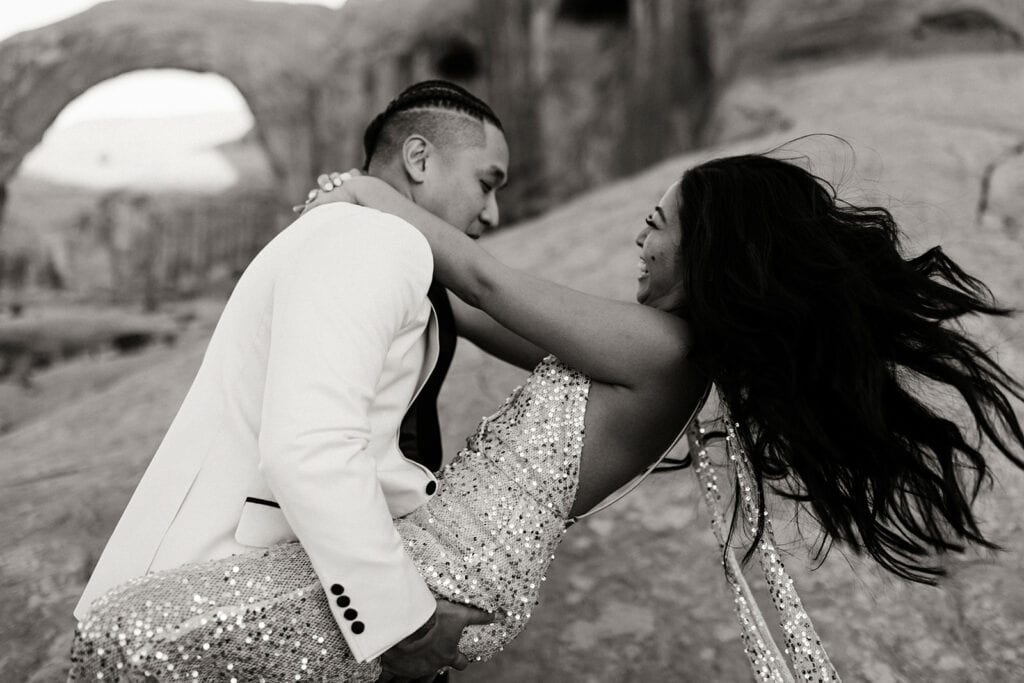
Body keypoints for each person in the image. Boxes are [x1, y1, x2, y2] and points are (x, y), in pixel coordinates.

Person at [70, 151, 1024, 682]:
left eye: (661, 221)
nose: (638, 234)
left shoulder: (666, 351)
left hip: (445, 583)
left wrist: (370, 198)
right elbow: (482, 315)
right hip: (442, 569)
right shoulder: (652, 354)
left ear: (714, 247)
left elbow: (482, 271)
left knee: (129, 640)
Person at [70, 80, 513, 681]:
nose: (492, 213)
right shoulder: (369, 239)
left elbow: (515, 318)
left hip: (257, 603)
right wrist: (407, 626)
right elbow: (311, 446)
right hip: (216, 611)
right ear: (418, 158)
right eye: (486, 183)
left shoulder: (369, 240)